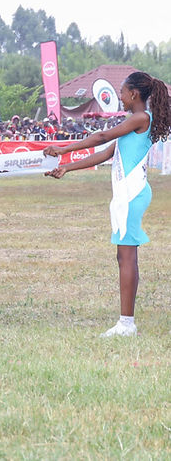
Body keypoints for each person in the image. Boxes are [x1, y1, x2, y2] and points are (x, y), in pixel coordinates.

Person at [44, 72, 171, 338]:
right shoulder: (134, 121)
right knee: (124, 255)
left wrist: (64, 149)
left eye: (123, 92)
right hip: (127, 193)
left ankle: (127, 325)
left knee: (127, 256)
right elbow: (105, 153)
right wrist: (67, 168)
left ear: (134, 94)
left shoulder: (140, 118)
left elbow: (102, 137)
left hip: (131, 193)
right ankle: (126, 322)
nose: (121, 97)